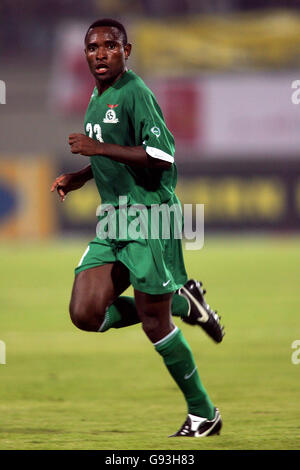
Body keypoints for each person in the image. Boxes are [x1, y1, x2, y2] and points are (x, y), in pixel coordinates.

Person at [51, 18, 224, 437]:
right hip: (114, 218)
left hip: (149, 216)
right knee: (85, 313)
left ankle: (204, 415)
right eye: (93, 48)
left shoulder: (136, 92)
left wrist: (97, 148)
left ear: (127, 52)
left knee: (153, 323)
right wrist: (83, 174)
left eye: (110, 46)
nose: (100, 53)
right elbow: (116, 151)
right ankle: (186, 304)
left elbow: (161, 155)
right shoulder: (99, 94)